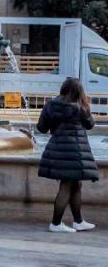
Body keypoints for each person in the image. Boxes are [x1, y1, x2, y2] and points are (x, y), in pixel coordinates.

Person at [36, 77, 98, 232]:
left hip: (57, 150)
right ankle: (56, 224)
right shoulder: (80, 107)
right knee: (67, 186)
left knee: (75, 184)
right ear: (79, 91)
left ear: (63, 88)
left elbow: (41, 128)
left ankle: (78, 221)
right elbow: (90, 125)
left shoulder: (50, 105)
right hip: (75, 152)